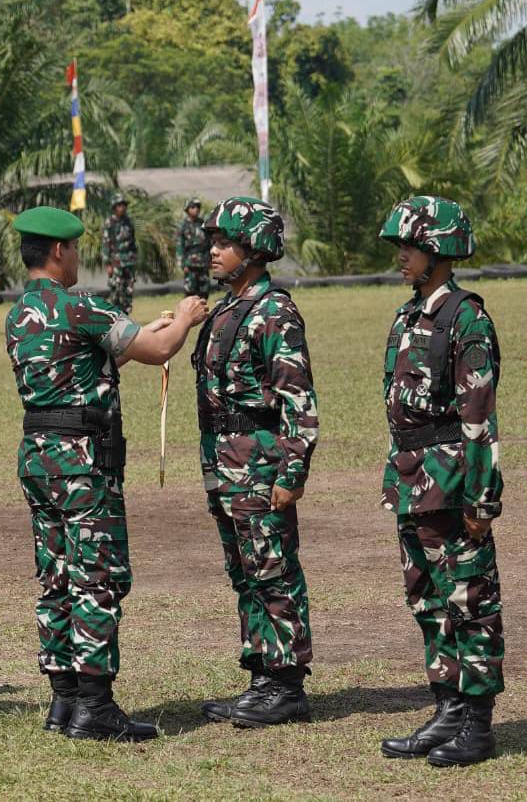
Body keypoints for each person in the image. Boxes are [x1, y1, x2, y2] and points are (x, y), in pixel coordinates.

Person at [4, 205, 207, 742]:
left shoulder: (20, 313)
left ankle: (64, 699)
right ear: (58, 252)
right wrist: (183, 317)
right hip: (82, 462)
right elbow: (157, 350)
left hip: (39, 459)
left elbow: (87, 359)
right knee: (96, 577)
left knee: (56, 577)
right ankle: (96, 707)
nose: (77, 259)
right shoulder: (80, 305)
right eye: (74, 251)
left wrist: (152, 327)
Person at [375, 197, 505, 767]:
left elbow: (479, 416)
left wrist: (482, 496)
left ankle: (476, 723)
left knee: (469, 597)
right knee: (427, 597)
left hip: (453, 481)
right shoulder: (408, 316)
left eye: (412, 248)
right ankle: (447, 706)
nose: (401, 257)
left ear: (441, 253)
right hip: (411, 480)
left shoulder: (466, 318)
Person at [191, 196, 318, 728]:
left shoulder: (274, 312)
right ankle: (261, 675)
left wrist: (292, 475)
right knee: (245, 573)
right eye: (214, 243)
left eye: (226, 243)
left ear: (256, 250)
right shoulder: (226, 309)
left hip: (262, 464)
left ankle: (286, 684)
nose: (214, 251)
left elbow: (299, 402)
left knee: (273, 571)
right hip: (226, 465)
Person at [101, 193, 137, 314]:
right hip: (116, 262)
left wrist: (135, 259)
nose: (122, 208)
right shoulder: (109, 223)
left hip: (129, 261)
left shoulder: (128, 222)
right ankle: (115, 316)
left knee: (128, 290)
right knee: (116, 290)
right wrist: (108, 264)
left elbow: (133, 241)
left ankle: (126, 316)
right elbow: (106, 244)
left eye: (124, 205)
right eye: (119, 205)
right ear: (114, 207)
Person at [175, 196, 211, 298]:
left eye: (198, 207)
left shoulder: (203, 224)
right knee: (190, 291)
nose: (196, 209)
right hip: (190, 263)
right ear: (187, 209)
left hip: (203, 262)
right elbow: (179, 246)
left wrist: (211, 259)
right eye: (193, 207)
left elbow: (209, 242)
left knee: (204, 291)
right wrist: (182, 264)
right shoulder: (183, 226)